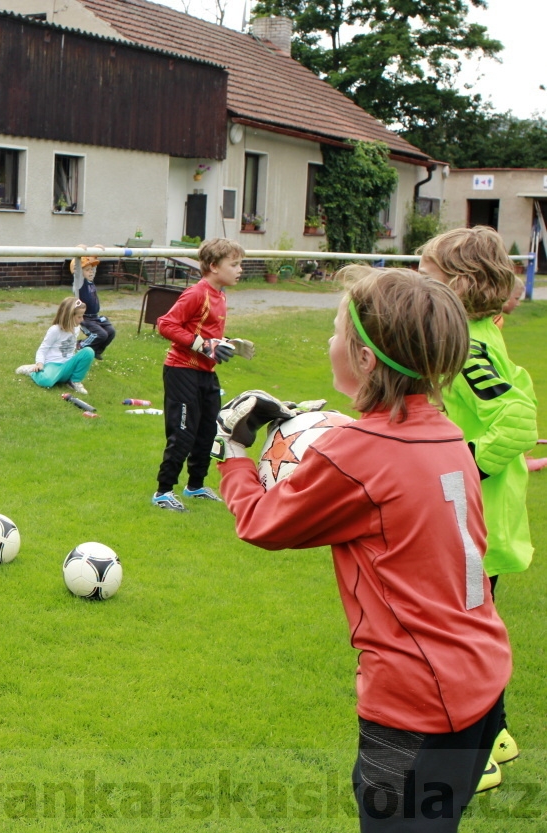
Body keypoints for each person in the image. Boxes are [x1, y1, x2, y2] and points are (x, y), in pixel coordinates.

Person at [213, 267, 511, 831]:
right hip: (482, 676)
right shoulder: (446, 432)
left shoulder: (358, 452)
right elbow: (384, 464)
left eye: (336, 332)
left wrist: (230, 452)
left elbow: (261, 523)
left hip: (416, 703)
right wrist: (312, 428)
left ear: (367, 360)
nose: (330, 342)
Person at [418, 226, 538, 788]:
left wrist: (465, 468)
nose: (418, 283)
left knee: (458, 640)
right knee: (475, 630)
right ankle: (499, 734)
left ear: (459, 285)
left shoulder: (466, 345)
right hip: (478, 521)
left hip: (474, 524)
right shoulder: (474, 334)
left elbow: (516, 419)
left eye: (428, 275)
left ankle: (476, 756)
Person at [151, 237, 253, 511]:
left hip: (206, 373)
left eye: (240, 264)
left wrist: (227, 344)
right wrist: (204, 345)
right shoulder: (197, 293)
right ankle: (163, 492)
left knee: (208, 431)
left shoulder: (220, 294)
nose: (240, 269)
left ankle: (195, 486)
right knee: (183, 433)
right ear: (214, 266)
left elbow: (206, 333)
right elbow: (165, 324)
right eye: (234, 264)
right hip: (181, 371)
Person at [15, 297, 95, 394]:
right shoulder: (55, 330)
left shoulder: (76, 328)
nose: (82, 320)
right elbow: (43, 349)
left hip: (68, 364)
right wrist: (40, 363)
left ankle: (74, 381)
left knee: (89, 352)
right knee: (47, 381)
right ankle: (32, 371)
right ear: (69, 316)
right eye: (79, 317)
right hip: (54, 365)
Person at [70, 245, 116, 359]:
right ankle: (80, 345)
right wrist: (79, 250)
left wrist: (95, 251)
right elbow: (77, 271)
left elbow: (93, 265)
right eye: (87, 270)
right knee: (100, 334)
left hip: (95, 316)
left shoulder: (91, 280)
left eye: (91, 269)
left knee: (111, 332)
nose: (91, 272)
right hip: (85, 317)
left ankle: (96, 351)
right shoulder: (80, 283)